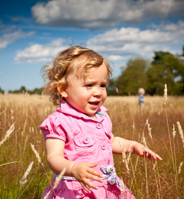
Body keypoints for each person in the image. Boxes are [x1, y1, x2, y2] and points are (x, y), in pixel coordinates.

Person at [40, 46, 162, 199]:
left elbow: (112, 141)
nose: (98, 92)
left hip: (107, 187)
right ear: (63, 89)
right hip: (76, 190)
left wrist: (133, 146)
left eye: (102, 85)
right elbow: (53, 157)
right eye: (89, 85)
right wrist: (72, 167)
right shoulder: (59, 122)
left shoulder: (101, 117)